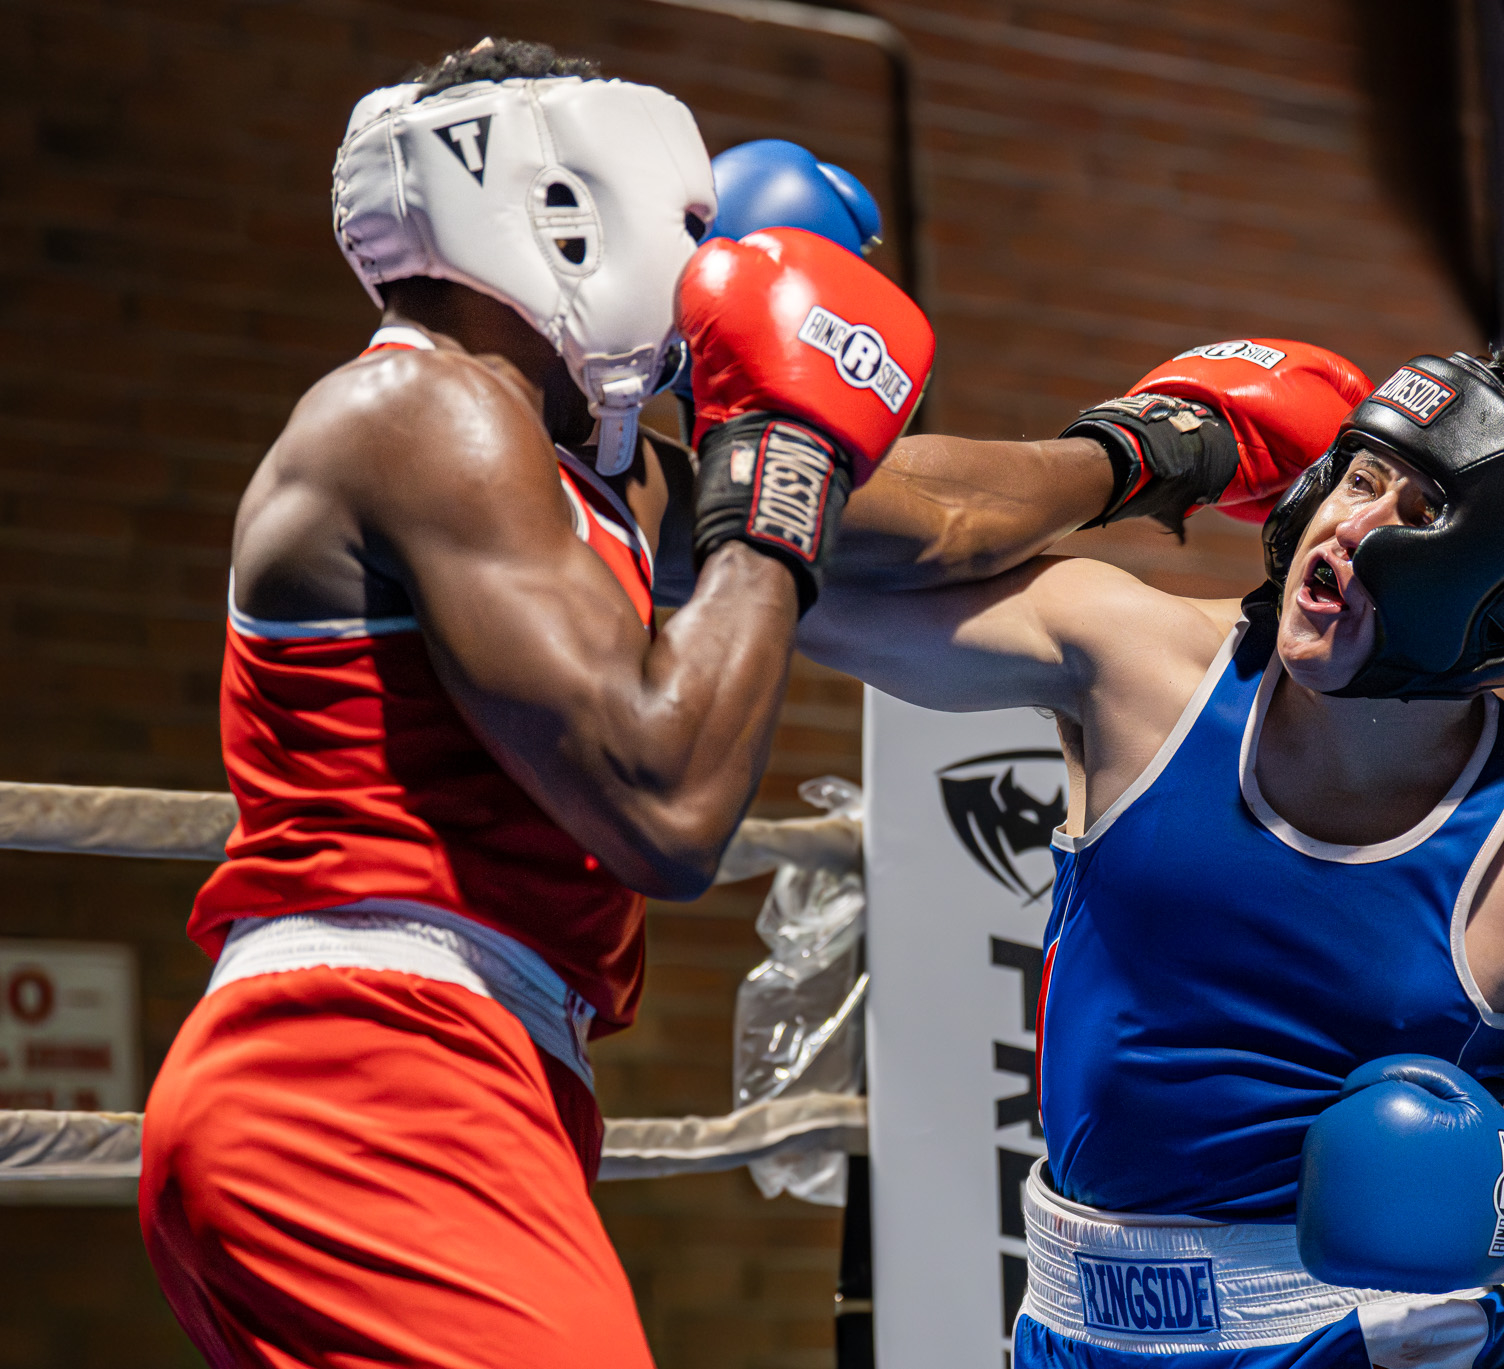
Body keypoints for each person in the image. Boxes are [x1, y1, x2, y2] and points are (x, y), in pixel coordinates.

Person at [137, 39, 934, 1368]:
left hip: (440, 1073)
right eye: (685, 234)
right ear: (562, 211)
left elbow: (933, 519)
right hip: (364, 1076)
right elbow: (669, 805)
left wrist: (1158, 445)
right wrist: (781, 466)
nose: (696, 281)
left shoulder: (554, 480)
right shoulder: (420, 408)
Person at [801, 344, 1504, 1367]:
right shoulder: (1139, 669)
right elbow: (801, 575)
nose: (1349, 526)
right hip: (1067, 1323)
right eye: (1357, 476)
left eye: (1414, 512)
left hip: (1359, 1337)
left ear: (1495, 606)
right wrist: (1134, 453)